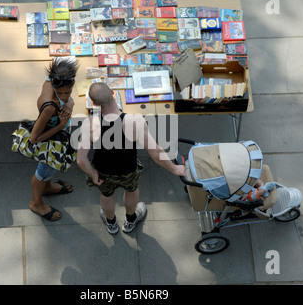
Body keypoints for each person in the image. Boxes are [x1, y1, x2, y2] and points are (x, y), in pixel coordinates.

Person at [76, 82, 186, 235]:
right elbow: (155, 153)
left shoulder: (90, 124)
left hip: (103, 171)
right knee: (131, 190)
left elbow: (81, 160)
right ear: (113, 93)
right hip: (128, 169)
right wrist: (175, 169)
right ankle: (130, 220)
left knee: (106, 195)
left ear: (93, 103)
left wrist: (93, 174)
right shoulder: (135, 121)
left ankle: (111, 223)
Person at [29, 57, 79, 221]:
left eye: (68, 93)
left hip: (56, 135)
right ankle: (37, 203)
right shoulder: (50, 107)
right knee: (42, 173)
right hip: (50, 142)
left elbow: (67, 99)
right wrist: (61, 125)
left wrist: (70, 104)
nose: (64, 96)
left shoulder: (50, 80)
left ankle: (47, 187)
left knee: (48, 172)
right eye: (61, 93)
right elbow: (34, 139)